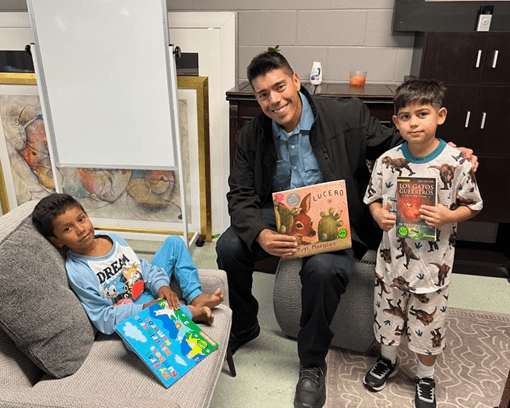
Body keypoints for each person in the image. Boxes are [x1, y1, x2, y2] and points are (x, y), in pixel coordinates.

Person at [216, 51, 479, 408]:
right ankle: (245, 324)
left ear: (296, 81)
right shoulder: (251, 135)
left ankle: (311, 364)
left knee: (324, 269)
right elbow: (240, 194)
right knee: (230, 246)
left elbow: (399, 144)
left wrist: (446, 153)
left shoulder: (346, 115)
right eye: (264, 94)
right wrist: (261, 233)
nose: (274, 100)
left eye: (280, 87)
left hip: (333, 219)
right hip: (280, 215)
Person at [362, 79, 482, 408]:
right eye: (405, 116)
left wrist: (448, 215)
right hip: (392, 265)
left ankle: (425, 377)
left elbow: (473, 205)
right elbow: (372, 199)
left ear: (440, 116)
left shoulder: (456, 163)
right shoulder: (387, 162)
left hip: (433, 271)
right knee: (388, 317)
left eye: (422, 114)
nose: (413, 122)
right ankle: (387, 360)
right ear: (396, 122)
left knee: (428, 326)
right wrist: (378, 215)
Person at [32, 193, 224, 336]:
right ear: (57, 241)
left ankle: (195, 296)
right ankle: (190, 313)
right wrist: (145, 307)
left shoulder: (113, 239)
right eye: (67, 229)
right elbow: (104, 317)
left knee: (174, 242)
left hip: (144, 286)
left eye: (81, 219)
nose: (81, 229)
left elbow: (141, 267)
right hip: (134, 306)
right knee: (134, 336)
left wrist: (161, 285)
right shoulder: (78, 272)